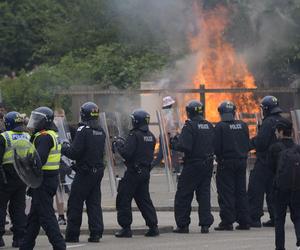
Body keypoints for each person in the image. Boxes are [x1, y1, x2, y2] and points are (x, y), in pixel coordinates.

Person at [20, 107, 66, 250]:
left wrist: (25, 162)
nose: (34, 122)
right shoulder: (51, 134)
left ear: (44, 121)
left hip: (43, 181)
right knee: (34, 218)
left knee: (47, 218)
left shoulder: (44, 137)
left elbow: (38, 160)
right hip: (48, 179)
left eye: (36, 119)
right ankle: (26, 246)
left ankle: (60, 246)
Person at [62, 102, 106, 243]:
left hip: (85, 173)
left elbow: (74, 153)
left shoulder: (83, 130)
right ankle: (96, 233)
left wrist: (63, 147)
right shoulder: (101, 130)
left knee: (75, 203)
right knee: (94, 203)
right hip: (97, 171)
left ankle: (72, 235)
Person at [170, 100, 214, 234]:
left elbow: (185, 146)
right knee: (204, 194)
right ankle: (205, 225)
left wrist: (174, 143)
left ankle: (183, 225)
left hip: (193, 164)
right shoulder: (209, 125)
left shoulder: (190, 126)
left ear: (189, 112)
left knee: (184, 194)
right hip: (208, 164)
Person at [113, 109, 159, 238]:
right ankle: (153, 226)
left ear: (136, 121)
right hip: (145, 172)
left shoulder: (134, 135)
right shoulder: (151, 136)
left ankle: (126, 228)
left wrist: (118, 146)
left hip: (133, 172)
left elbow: (127, 154)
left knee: (123, 199)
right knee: (144, 199)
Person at [214, 101, 251, 231]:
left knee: (226, 192)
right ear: (234, 112)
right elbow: (248, 144)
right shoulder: (243, 125)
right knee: (241, 192)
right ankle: (245, 221)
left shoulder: (220, 126)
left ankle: (227, 222)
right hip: (241, 162)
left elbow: (216, 147)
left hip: (226, 163)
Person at [248, 96, 283, 228]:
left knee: (255, 188)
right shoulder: (283, 120)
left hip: (265, 161)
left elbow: (261, 142)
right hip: (279, 162)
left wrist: (247, 144)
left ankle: (254, 218)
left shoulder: (268, 122)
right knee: (273, 190)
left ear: (266, 109)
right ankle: (275, 217)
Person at [268, 119, 300, 250]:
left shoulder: (274, 148)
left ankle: (280, 247)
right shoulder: (297, 148)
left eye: (276, 130)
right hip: (297, 188)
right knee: (298, 217)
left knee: (279, 220)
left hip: (280, 189)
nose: (276, 133)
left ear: (281, 132)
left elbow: (271, 168)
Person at [0, 112, 29, 247]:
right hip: (22, 178)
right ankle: (19, 238)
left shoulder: (4, 137)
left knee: (1, 208)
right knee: (18, 209)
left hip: (5, 178)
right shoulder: (27, 136)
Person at [152, 96, 181, 174]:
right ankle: (178, 172)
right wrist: (175, 133)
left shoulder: (165, 113)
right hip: (168, 135)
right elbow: (170, 126)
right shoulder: (167, 113)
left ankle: (177, 171)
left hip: (166, 135)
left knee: (171, 154)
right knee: (171, 154)